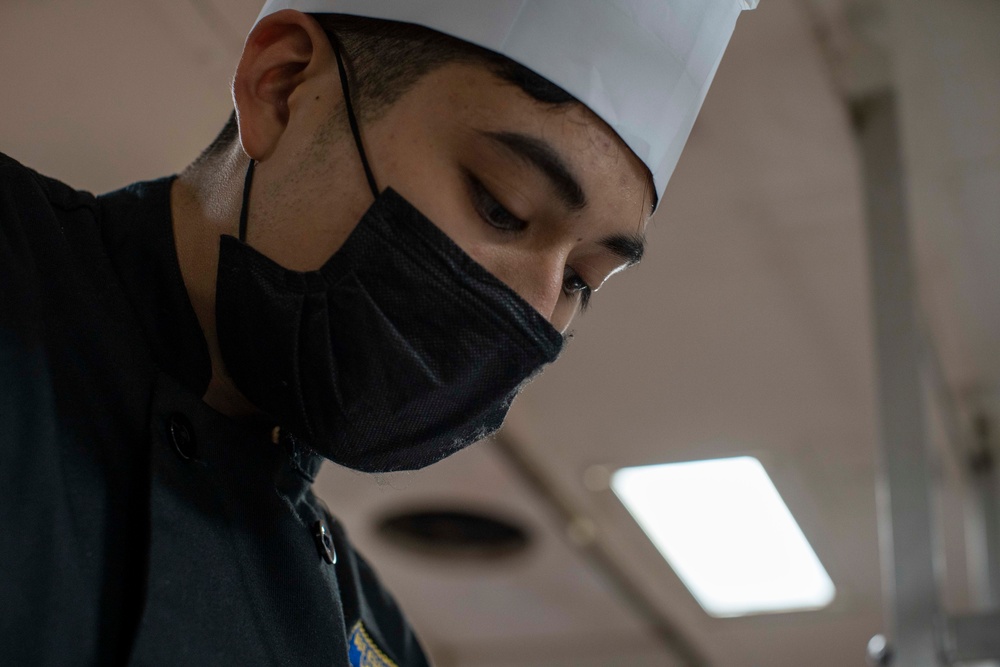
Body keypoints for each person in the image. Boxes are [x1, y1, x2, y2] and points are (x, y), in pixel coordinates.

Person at [0, 1, 757, 664]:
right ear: (285, 87)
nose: (533, 308)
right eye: (501, 206)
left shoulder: (364, 633)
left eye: (579, 282)